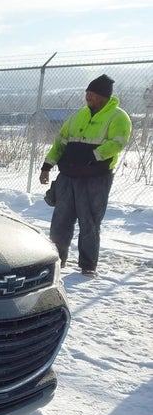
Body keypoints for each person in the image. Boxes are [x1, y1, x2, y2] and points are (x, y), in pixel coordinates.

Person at [39, 74, 132, 277]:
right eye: (87, 93)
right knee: (61, 220)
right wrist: (47, 165)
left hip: (95, 178)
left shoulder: (118, 117)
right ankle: (56, 260)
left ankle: (87, 265)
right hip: (68, 176)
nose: (88, 97)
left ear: (104, 96)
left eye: (93, 94)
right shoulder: (77, 116)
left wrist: (91, 156)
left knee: (89, 221)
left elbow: (117, 143)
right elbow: (60, 143)